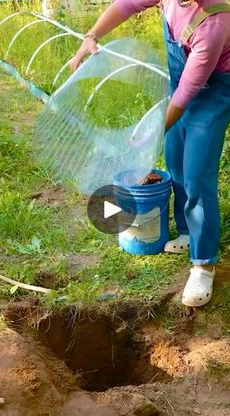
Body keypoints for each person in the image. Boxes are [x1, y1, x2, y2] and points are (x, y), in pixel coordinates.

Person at [70, 0, 230, 307]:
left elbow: (185, 96)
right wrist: (92, 35)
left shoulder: (214, 23)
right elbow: (127, 4)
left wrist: (151, 132)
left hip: (215, 93)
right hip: (182, 86)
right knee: (175, 157)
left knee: (197, 173)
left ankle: (203, 264)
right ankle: (186, 231)